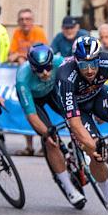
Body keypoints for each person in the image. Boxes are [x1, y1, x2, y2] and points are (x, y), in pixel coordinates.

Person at [56, 36, 108, 215]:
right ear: (76, 62)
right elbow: (75, 123)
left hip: (99, 96)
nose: (90, 70)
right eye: (84, 65)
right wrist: (93, 147)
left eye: (93, 64)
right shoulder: (66, 76)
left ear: (99, 58)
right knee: (95, 153)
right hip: (77, 112)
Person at [15, 43, 85, 206]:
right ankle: (69, 188)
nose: (45, 72)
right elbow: (31, 116)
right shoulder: (22, 79)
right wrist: (46, 134)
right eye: (39, 70)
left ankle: (79, 151)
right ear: (32, 67)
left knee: (74, 116)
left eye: (47, 67)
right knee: (50, 140)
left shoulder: (60, 61)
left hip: (52, 91)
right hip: (35, 101)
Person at [8, 8, 48, 156]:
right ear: (19, 22)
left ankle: (45, 145)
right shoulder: (17, 33)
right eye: (22, 19)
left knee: (42, 114)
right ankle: (29, 146)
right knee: (27, 111)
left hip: (39, 79)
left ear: (33, 21)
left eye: (28, 19)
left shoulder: (39, 32)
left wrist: (21, 58)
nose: (25, 22)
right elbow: (11, 56)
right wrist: (20, 58)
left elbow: (42, 55)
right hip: (26, 81)